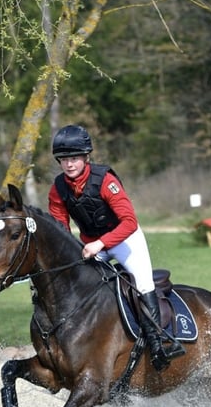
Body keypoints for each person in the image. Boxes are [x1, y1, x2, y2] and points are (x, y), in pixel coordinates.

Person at [47, 124, 185, 371]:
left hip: (125, 240)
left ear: (86, 157)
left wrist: (99, 243)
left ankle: (159, 344)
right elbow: (61, 230)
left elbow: (129, 222)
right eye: (64, 159)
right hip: (92, 244)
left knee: (142, 284)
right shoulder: (58, 189)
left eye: (74, 158)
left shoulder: (105, 181)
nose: (69, 165)